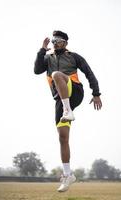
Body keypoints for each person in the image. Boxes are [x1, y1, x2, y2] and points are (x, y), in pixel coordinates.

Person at [34, 30, 102, 192]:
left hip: (75, 90)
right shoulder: (47, 57)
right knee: (63, 138)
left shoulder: (74, 56)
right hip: (60, 99)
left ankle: (68, 110)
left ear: (65, 42)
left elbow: (89, 73)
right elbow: (37, 70)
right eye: (53, 40)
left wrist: (96, 93)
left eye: (58, 40)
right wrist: (42, 50)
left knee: (57, 74)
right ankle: (68, 175)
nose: (55, 43)